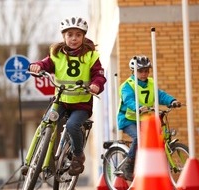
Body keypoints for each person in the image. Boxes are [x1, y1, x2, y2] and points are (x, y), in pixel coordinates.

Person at [27, 16, 106, 176]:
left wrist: (96, 85)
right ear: (64, 36)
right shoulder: (57, 54)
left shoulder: (91, 56)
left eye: (78, 35)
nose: (74, 38)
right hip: (61, 100)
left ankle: (78, 155)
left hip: (81, 103)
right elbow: (45, 64)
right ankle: (40, 159)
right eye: (70, 35)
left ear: (83, 37)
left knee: (72, 126)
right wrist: (36, 66)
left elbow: (99, 74)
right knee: (47, 121)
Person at [117, 55, 181, 181]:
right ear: (134, 71)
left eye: (146, 70)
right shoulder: (127, 86)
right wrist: (139, 107)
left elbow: (160, 95)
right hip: (127, 119)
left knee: (154, 139)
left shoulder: (151, 83)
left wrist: (172, 100)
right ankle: (128, 166)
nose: (144, 74)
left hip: (143, 119)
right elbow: (129, 100)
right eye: (141, 71)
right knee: (139, 137)